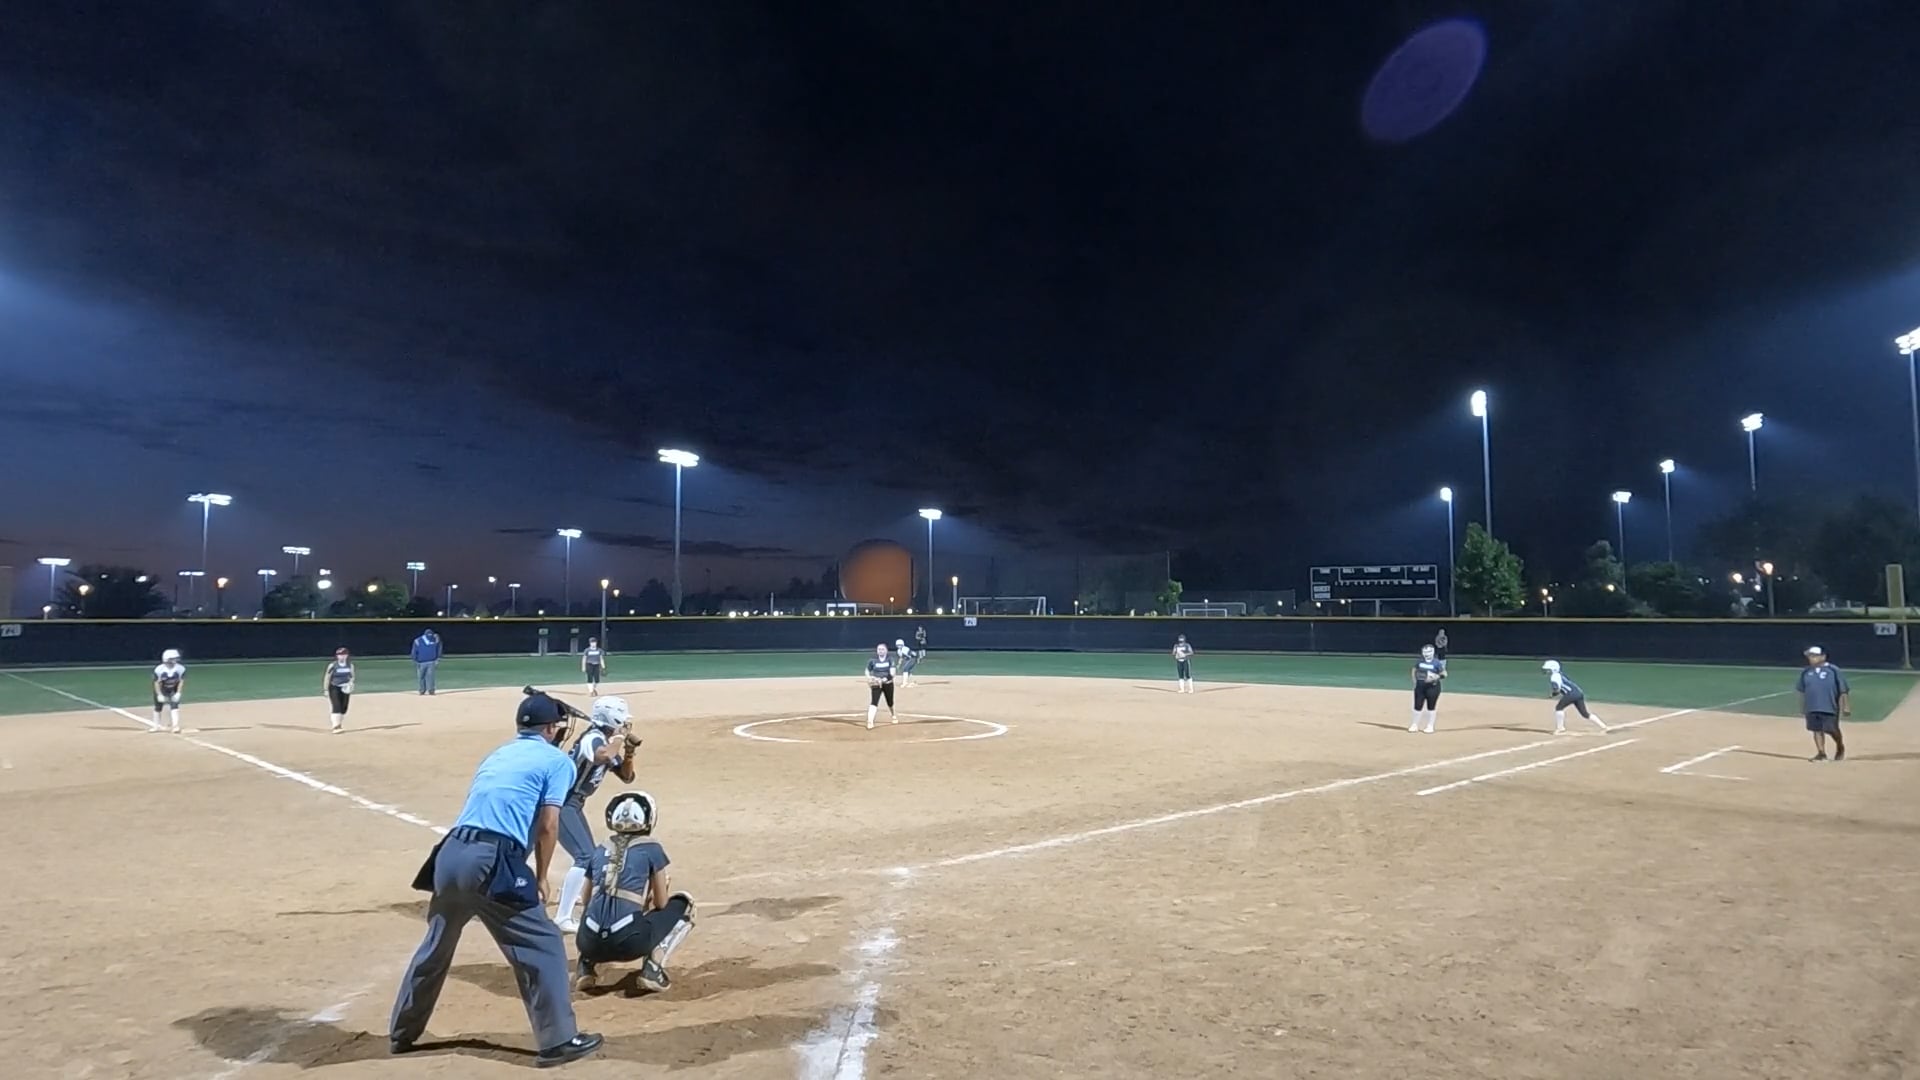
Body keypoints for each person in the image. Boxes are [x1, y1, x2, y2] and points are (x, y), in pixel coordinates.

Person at [389, 689, 603, 1068]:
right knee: (543, 943)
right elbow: (548, 824)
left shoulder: (497, 754)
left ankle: (402, 1032)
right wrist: (541, 876)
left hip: (450, 852)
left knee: (436, 944)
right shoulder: (557, 761)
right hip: (490, 859)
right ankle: (558, 1041)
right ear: (551, 729)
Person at [573, 790, 696, 995]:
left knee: (593, 909)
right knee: (684, 904)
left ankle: (585, 966)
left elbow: (585, 899)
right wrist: (648, 899)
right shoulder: (652, 848)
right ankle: (653, 969)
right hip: (629, 943)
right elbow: (661, 903)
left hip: (588, 943)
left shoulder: (599, 849)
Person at [554, 697, 641, 933]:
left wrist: (629, 751)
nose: (625, 724)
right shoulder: (592, 738)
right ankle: (562, 917)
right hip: (562, 802)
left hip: (573, 805)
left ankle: (571, 895)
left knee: (590, 857)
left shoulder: (604, 740)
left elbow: (626, 776)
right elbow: (601, 756)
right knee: (584, 856)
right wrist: (619, 738)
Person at [1797, 645, 1851, 762]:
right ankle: (1821, 753)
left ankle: (1839, 745)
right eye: (1810, 656)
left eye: (1814, 656)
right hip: (1812, 706)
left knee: (1831, 729)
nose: (1811, 658)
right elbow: (1802, 690)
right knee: (1816, 729)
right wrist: (1802, 707)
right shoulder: (1806, 672)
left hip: (1829, 705)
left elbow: (1843, 689)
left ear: (1823, 657)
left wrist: (1846, 706)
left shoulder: (1833, 670)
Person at [1541, 659, 1608, 735]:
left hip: (1571, 694)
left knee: (1559, 708)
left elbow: (1557, 688)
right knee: (1585, 714)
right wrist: (1554, 694)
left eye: (1548, 669)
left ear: (1553, 669)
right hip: (1578, 693)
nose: (1547, 671)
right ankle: (1604, 726)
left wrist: (1553, 694)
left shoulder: (1554, 677)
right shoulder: (1560, 675)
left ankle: (1560, 728)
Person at [1408, 644, 1446, 733]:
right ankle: (1414, 725)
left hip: (1433, 687)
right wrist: (1415, 681)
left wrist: (1436, 677)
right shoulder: (1420, 661)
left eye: (1428, 652)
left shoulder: (1436, 663)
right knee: (1417, 706)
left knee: (1431, 706)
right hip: (1420, 687)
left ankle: (1430, 726)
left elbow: (1444, 674)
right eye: (1425, 652)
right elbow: (1414, 670)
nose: (1426, 654)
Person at [152, 648, 186, 734]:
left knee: (174, 706)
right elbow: (156, 683)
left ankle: (175, 726)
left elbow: (181, 681)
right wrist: (159, 694)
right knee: (158, 707)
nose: (175, 660)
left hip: (173, 689)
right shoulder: (159, 669)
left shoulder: (180, 668)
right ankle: (156, 726)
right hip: (162, 689)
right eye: (173, 659)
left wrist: (178, 693)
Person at [322, 647, 356, 734]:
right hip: (334, 687)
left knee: (344, 708)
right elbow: (327, 677)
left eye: (344, 654)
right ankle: (336, 726)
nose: (342, 656)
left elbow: (352, 676)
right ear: (337, 656)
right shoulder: (333, 665)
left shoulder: (350, 665)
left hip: (345, 688)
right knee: (336, 706)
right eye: (340, 655)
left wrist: (350, 683)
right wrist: (326, 689)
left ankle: (339, 723)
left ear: (347, 655)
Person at [866, 643, 897, 729]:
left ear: (886, 650)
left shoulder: (890, 659)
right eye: (879, 649)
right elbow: (867, 670)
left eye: (882, 649)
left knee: (890, 702)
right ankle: (870, 721)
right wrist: (869, 678)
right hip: (876, 684)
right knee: (874, 701)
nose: (880, 651)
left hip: (888, 683)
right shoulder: (873, 660)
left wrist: (884, 679)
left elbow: (892, 673)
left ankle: (893, 715)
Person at [411, 629, 443, 695]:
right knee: (430, 677)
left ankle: (422, 690)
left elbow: (414, 651)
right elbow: (439, 648)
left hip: (421, 662)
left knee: (421, 677)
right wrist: (438, 658)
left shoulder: (417, 640)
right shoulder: (435, 639)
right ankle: (431, 690)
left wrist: (414, 659)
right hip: (431, 661)